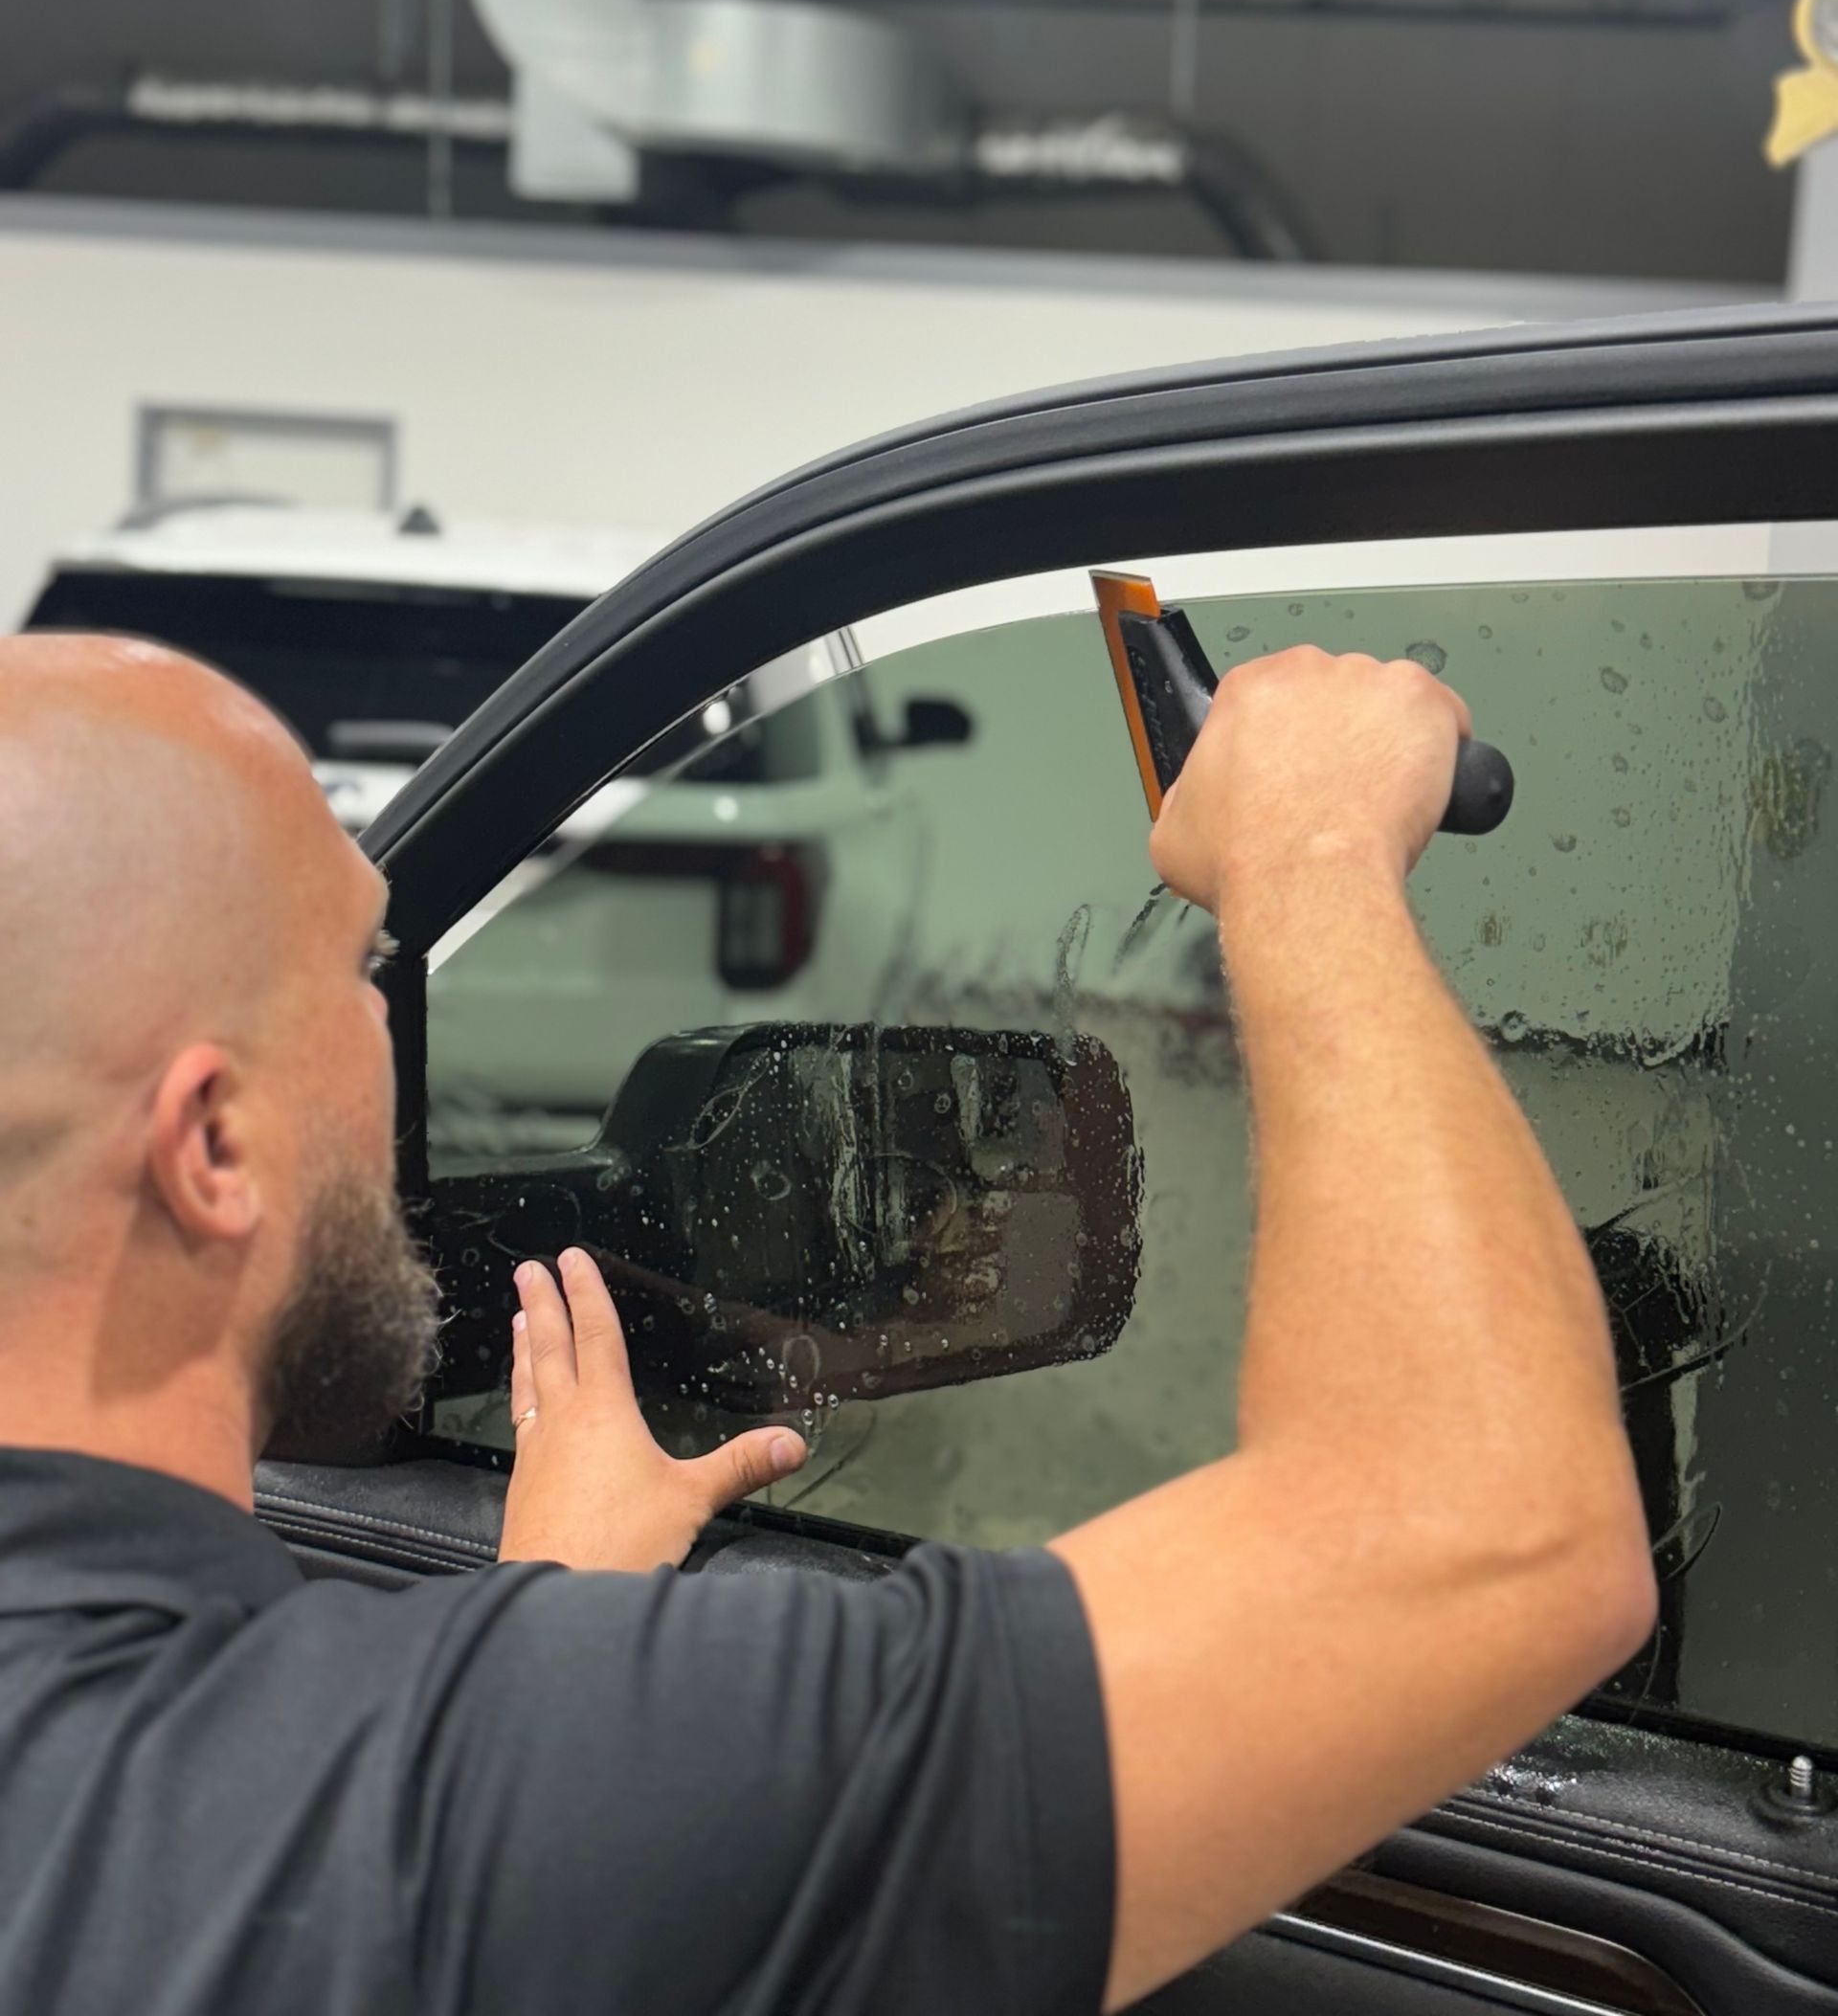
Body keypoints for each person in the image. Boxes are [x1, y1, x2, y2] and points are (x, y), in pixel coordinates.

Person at [0, 630, 1654, 2016]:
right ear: (213, 1148)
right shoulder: (465, 1812)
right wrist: (1309, 853)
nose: (392, 1025)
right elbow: (1489, 1530)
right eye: (364, 968)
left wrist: (548, 1628)